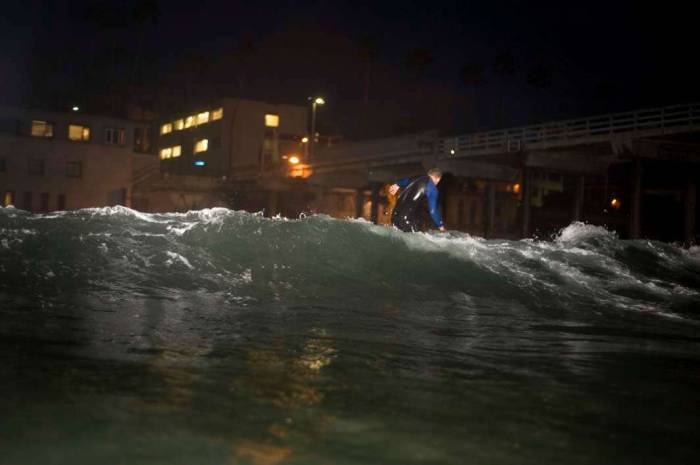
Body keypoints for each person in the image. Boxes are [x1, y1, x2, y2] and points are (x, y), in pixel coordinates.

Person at [389, 168, 445, 232]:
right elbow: (433, 211)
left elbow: (405, 180)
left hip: (395, 216)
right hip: (407, 220)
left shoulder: (416, 177)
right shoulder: (432, 188)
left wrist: (397, 184)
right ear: (438, 179)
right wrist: (441, 226)